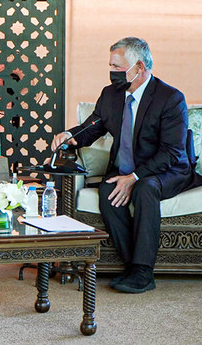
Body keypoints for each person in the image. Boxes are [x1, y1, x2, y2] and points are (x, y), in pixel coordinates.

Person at [50, 37, 194, 293]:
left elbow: (171, 153)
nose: (112, 73)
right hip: (126, 168)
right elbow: (92, 126)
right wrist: (70, 136)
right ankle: (132, 266)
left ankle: (144, 273)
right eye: (111, 66)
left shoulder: (170, 98)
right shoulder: (111, 95)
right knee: (107, 190)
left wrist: (135, 177)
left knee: (145, 189)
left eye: (117, 67)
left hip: (166, 170)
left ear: (139, 67)